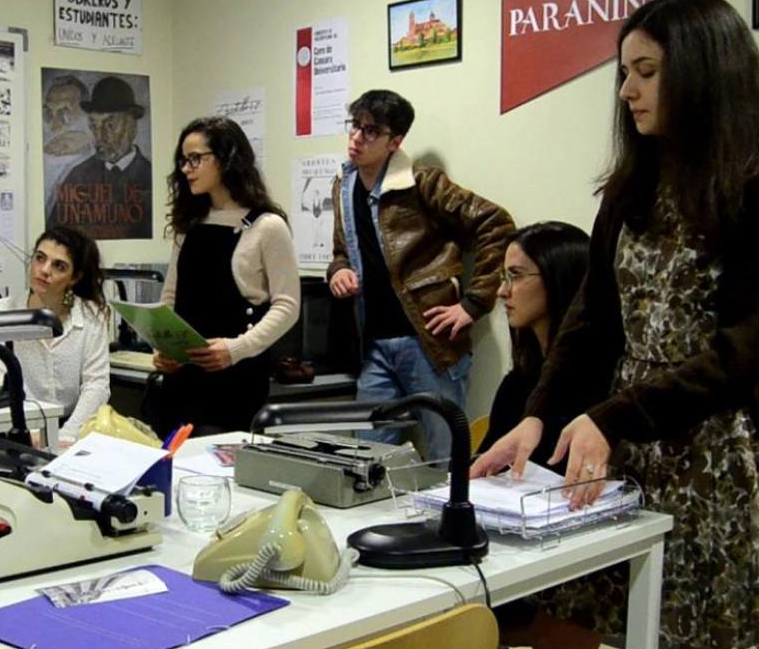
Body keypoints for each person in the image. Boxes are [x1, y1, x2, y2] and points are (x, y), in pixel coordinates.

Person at [471, 0, 759, 649]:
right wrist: (537, 416)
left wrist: (616, 414)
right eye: (623, 72)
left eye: (647, 71)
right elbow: (591, 323)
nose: (627, 89)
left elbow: (741, 352)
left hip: (711, 455)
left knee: (699, 640)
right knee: (563, 620)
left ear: (704, 69)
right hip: (616, 446)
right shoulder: (630, 190)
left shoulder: (748, 187)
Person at [327, 89, 514, 461]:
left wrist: (473, 304)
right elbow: (341, 250)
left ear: (395, 141)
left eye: (370, 131)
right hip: (374, 345)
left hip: (429, 342)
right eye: (355, 126)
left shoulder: (421, 183)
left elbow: (496, 223)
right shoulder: (343, 186)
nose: (357, 138)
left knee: (447, 458)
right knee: (368, 460)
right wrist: (339, 270)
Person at [151, 116, 300, 437]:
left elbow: (288, 306)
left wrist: (237, 349)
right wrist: (163, 351)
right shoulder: (189, 223)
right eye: (183, 160)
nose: (186, 169)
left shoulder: (267, 226)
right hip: (183, 382)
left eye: (195, 159)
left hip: (236, 381)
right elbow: (171, 298)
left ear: (227, 158)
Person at [475, 221, 591, 472]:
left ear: (559, 276)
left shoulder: (600, 387)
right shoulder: (516, 385)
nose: (502, 292)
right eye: (504, 277)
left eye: (515, 275)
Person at [0, 227, 110, 449]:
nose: (44, 270)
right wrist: (32, 436)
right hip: (17, 429)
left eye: (58, 266)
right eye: (40, 258)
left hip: (74, 433)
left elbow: (97, 384)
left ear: (75, 277)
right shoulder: (2, 312)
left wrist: (67, 436)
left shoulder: (91, 316)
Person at [51, 76, 153, 239]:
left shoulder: (150, 177)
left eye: (110, 125)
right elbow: (55, 234)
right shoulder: (78, 176)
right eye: (94, 126)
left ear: (132, 126)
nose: (100, 136)